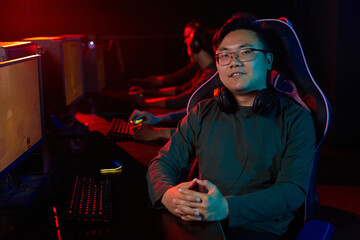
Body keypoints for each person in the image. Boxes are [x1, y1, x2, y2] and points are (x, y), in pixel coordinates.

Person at [146, 14, 316, 239]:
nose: (233, 61)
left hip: (258, 231)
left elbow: (291, 191)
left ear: (268, 61)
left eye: (245, 52)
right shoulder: (202, 112)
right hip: (200, 224)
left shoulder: (296, 119)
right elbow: (162, 163)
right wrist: (167, 194)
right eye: (224, 55)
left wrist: (226, 208)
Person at [129, 25, 217, 110]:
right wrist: (145, 92)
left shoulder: (210, 75)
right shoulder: (203, 70)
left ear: (195, 46)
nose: (186, 43)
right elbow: (183, 90)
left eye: (189, 42)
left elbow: (182, 101)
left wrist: (145, 102)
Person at [129, 19, 200, 90]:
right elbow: (182, 87)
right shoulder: (193, 64)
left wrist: (150, 83)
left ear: (198, 41)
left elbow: (178, 78)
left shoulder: (202, 68)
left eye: (189, 37)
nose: (186, 41)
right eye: (185, 37)